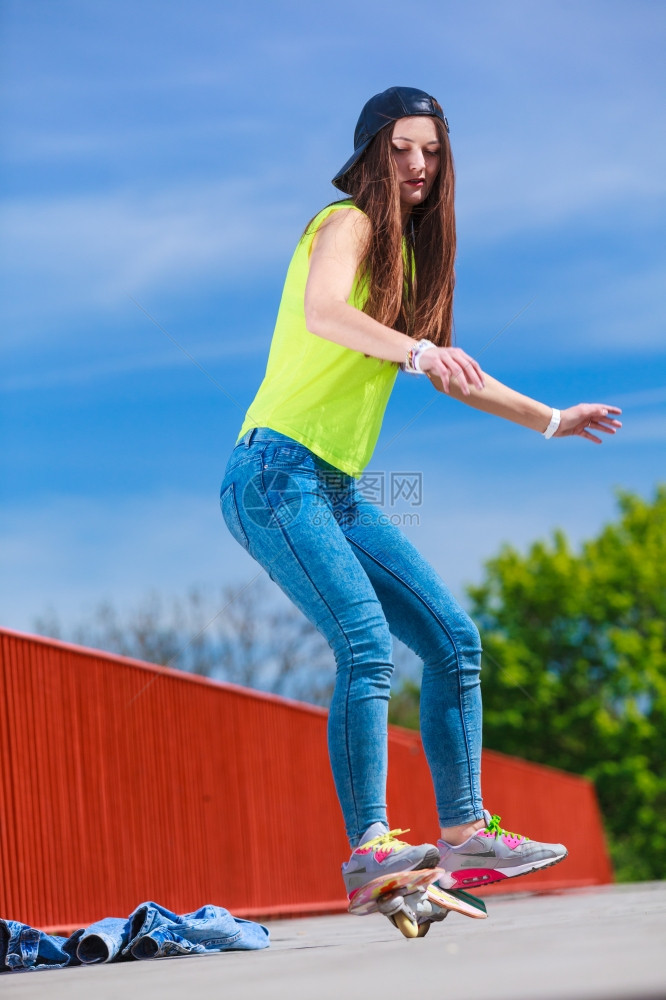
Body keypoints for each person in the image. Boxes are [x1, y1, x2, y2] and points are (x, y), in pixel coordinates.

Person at [219, 86, 622, 899]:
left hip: (331, 488)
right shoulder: (347, 224)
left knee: (452, 637)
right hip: (273, 474)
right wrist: (413, 352)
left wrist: (551, 420)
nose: (417, 164)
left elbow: (453, 374)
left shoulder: (407, 262)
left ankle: (468, 835)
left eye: (432, 152)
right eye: (402, 148)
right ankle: (370, 845)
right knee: (366, 642)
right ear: (373, 152)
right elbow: (325, 311)